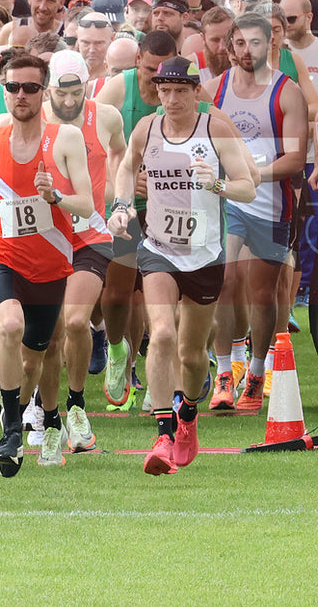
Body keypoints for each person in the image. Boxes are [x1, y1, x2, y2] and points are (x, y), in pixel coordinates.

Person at [0, 53, 94, 473]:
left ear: (43, 92)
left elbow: (86, 202)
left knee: (36, 358)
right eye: (12, 87)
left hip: (51, 265)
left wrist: (55, 196)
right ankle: (10, 431)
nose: (20, 95)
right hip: (2, 256)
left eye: (29, 88)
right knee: (8, 325)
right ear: (3, 90)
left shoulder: (65, 139)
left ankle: (52, 417)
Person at [108, 57, 256, 475]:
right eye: (163, 90)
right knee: (162, 335)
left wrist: (216, 184)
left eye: (179, 91)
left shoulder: (215, 129)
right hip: (157, 249)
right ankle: (162, 431)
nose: (170, 99)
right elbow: (125, 166)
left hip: (205, 255)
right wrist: (122, 206)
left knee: (192, 356)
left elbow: (247, 185)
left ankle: (188, 413)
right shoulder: (147, 129)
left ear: (195, 92)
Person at [205, 11, 307, 412]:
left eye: (257, 43)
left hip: (269, 203)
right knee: (225, 281)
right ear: (230, 47)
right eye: (241, 43)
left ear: (271, 45)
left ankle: (258, 371)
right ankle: (226, 372)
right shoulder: (214, 90)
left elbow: (296, 159)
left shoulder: (288, 92)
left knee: (261, 292)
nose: (249, 51)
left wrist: (252, 175)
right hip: (226, 201)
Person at [39, 51, 125, 453]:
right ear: (49, 89)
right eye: (61, 93)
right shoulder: (35, 119)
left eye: (76, 92)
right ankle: (48, 412)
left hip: (91, 234)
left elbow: (122, 153)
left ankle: (76, 405)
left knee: (75, 322)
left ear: (87, 85)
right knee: (50, 334)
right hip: (43, 236)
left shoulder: (105, 117)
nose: (69, 101)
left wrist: (117, 198)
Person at [94, 30, 178, 406]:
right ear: (137, 61)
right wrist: (123, 189)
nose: (157, 82)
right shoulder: (116, 90)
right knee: (116, 294)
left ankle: (160, 370)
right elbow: (93, 149)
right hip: (124, 206)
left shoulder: (188, 93)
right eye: (148, 72)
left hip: (171, 209)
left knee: (165, 294)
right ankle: (116, 351)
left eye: (165, 73)